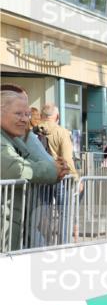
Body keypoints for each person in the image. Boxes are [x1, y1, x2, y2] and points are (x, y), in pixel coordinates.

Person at [2, 90, 70, 250]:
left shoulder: (13, 138)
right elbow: (14, 168)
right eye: (18, 113)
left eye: (27, 114)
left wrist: (56, 168)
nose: (25, 119)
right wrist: (53, 170)